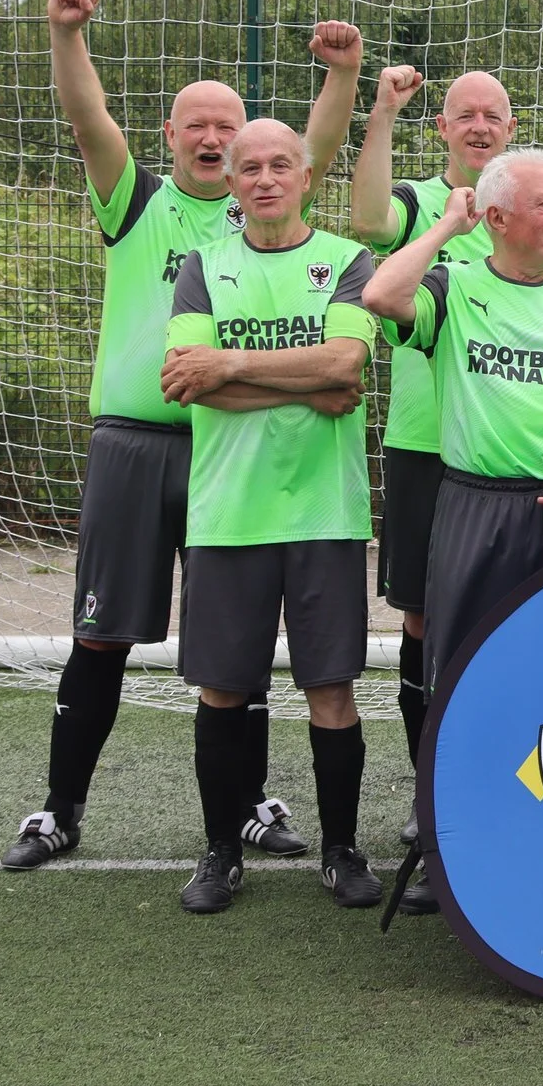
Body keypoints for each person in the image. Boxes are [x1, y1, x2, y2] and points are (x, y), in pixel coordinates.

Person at [2, 0, 360, 872]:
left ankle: (246, 806)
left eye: (225, 126)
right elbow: (88, 121)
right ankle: (60, 808)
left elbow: (316, 145)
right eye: (194, 124)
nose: (211, 136)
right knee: (100, 633)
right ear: (170, 136)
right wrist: (66, 35)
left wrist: (342, 76)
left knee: (237, 641)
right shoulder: (138, 200)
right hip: (136, 445)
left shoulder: (261, 209)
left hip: (234, 447)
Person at [361, 149, 543, 917]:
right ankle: (450, 851)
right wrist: (444, 227)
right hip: (477, 507)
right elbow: (381, 293)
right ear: (496, 218)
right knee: (460, 681)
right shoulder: (453, 288)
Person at [159, 120, 381, 915]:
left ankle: (341, 850)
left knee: (332, 690)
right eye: (248, 167)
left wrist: (232, 361)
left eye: (279, 165)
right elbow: (186, 382)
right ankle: (221, 851)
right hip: (229, 512)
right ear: (231, 183)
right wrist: (301, 382)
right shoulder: (203, 266)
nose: (263, 179)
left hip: (325, 511)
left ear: (306, 176)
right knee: (222, 689)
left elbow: (346, 363)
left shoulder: (348, 260)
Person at [347, 64, 512, 840]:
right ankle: (428, 790)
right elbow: (367, 217)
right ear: (441, 127)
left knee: (503, 614)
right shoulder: (417, 203)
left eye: (492, 114)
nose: (479, 125)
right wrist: (382, 109)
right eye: (464, 114)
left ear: (510, 129)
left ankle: (498, 778)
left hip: (504, 456)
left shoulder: (528, 207)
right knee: (420, 619)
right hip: (425, 445)